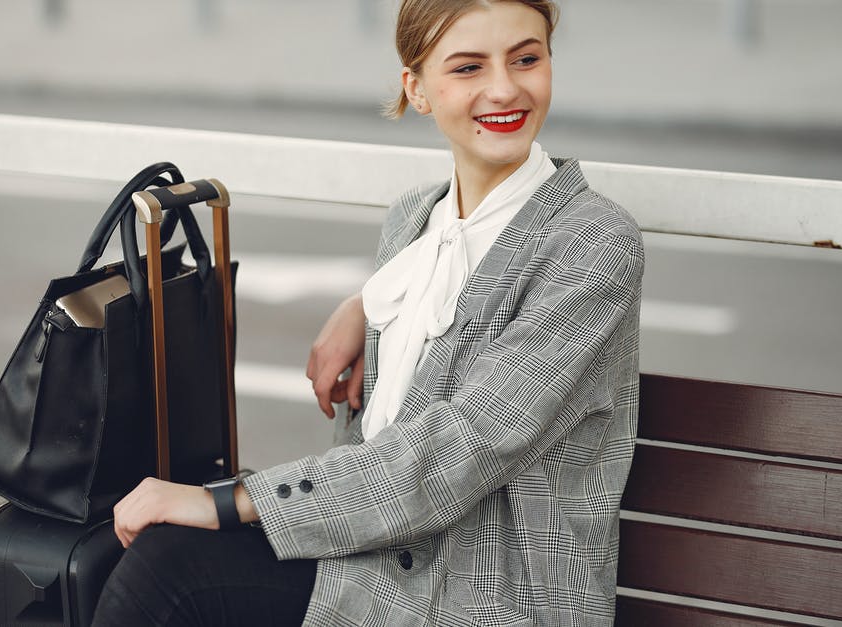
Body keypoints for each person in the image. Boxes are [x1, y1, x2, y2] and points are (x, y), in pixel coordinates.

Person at [92, 0, 643, 625]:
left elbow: (453, 455)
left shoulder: (594, 242)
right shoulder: (412, 224)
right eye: (467, 68)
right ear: (419, 89)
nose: (504, 88)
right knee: (157, 559)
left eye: (526, 58)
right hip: (379, 564)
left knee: (169, 577)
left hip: (488, 597)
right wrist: (365, 301)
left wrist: (227, 502)